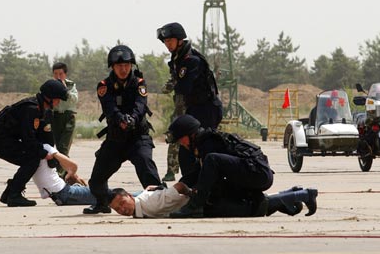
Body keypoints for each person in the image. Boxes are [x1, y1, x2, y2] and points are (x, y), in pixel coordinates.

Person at [164, 114, 318, 218]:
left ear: (190, 135)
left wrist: (196, 199)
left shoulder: (209, 144)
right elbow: (197, 174)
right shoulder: (204, 143)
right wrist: (173, 189)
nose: (181, 144)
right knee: (235, 204)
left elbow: (210, 175)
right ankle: (296, 195)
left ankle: (194, 207)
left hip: (256, 173)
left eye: (181, 140)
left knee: (220, 205)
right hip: (253, 172)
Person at [84, 45, 162, 214]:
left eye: (127, 65)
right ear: (112, 67)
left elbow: (141, 106)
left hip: (137, 138)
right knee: (96, 181)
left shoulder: (139, 83)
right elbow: (109, 108)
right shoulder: (104, 85)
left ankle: (158, 203)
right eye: (119, 66)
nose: (123, 69)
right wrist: (121, 120)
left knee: (147, 168)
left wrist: (132, 119)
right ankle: (103, 202)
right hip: (115, 139)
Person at [157, 22, 223, 186]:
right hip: (194, 108)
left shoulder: (191, 60)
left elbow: (183, 87)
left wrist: (174, 84)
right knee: (186, 150)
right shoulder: (178, 60)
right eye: (165, 41)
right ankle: (191, 184)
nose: (167, 44)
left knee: (206, 147)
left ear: (179, 40)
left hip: (207, 110)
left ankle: (210, 184)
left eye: (170, 41)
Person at [0, 79, 68, 207]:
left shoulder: (42, 110)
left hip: (6, 139)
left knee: (33, 157)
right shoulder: (31, 109)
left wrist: (52, 157)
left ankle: (9, 194)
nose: (58, 102)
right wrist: (43, 153)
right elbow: (28, 139)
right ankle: (14, 195)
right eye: (57, 99)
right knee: (32, 159)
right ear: (49, 97)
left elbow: (45, 137)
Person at [109, 183, 317, 218]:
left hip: (208, 204)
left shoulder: (150, 204)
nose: (121, 210)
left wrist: (195, 197)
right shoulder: (143, 204)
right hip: (206, 205)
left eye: (121, 204)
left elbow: (179, 187)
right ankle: (294, 193)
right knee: (259, 206)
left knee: (257, 208)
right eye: (117, 210)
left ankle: (305, 194)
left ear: (129, 195)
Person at [51, 62, 79, 179]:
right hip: (55, 117)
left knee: (63, 147)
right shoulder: (50, 85)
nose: (58, 76)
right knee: (58, 147)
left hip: (68, 117)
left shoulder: (70, 85)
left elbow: (74, 99)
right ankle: (67, 171)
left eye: (60, 74)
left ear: (65, 74)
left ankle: (61, 173)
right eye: (55, 74)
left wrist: (64, 90)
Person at [161, 79, 186, 181]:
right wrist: (174, 81)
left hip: (194, 115)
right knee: (173, 143)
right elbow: (164, 90)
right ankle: (171, 172)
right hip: (178, 116)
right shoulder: (178, 76)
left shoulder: (196, 75)